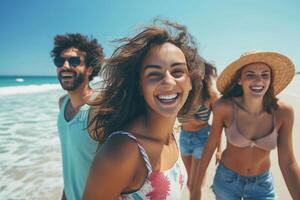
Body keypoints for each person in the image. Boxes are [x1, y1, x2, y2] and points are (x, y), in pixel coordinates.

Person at [82, 19, 205, 199]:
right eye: (154, 74)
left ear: (190, 82)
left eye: (178, 71)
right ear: (140, 86)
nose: (169, 82)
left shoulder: (173, 133)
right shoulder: (123, 151)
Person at [193, 51, 300, 200]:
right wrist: (195, 189)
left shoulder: (283, 112)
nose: (259, 80)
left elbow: (288, 162)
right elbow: (210, 146)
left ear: (271, 79)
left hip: (262, 185)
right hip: (227, 180)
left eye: (265, 74)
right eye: (250, 75)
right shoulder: (224, 107)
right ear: (239, 80)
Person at [50, 33, 104, 200]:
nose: (65, 66)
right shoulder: (63, 103)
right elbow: (72, 163)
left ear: (89, 69)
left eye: (74, 61)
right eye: (59, 61)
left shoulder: (99, 109)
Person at [178, 61, 221, 198]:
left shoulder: (210, 94)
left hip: (203, 138)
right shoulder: (181, 91)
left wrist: (219, 150)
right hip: (184, 137)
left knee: (195, 185)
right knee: (189, 183)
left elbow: (218, 124)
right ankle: (201, 177)